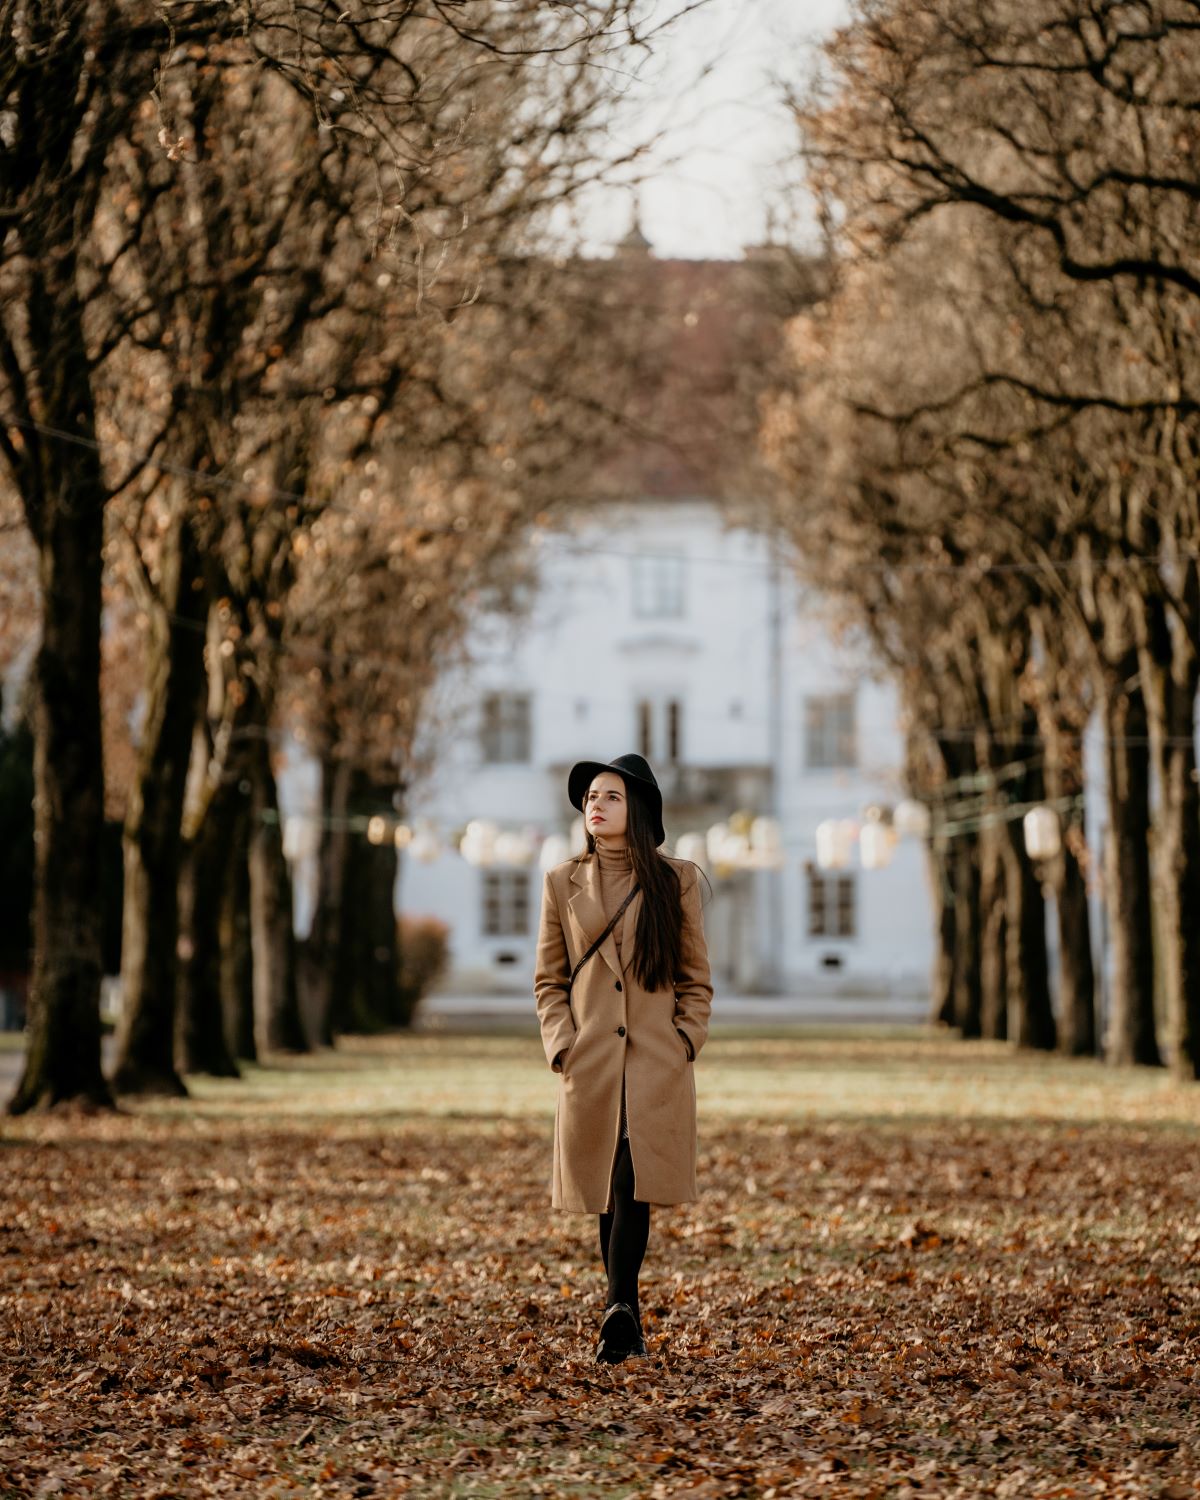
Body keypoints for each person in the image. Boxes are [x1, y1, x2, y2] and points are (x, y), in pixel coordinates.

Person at [534, 752, 713, 1364]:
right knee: (605, 1181)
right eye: (590, 796)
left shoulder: (675, 880)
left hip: (656, 1057)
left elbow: (695, 978)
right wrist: (562, 1045)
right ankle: (624, 1313)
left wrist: (685, 1040)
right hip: (589, 1058)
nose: (596, 804)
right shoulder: (561, 882)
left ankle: (619, 1305)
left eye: (610, 795)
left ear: (637, 808)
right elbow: (548, 980)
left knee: (632, 1174)